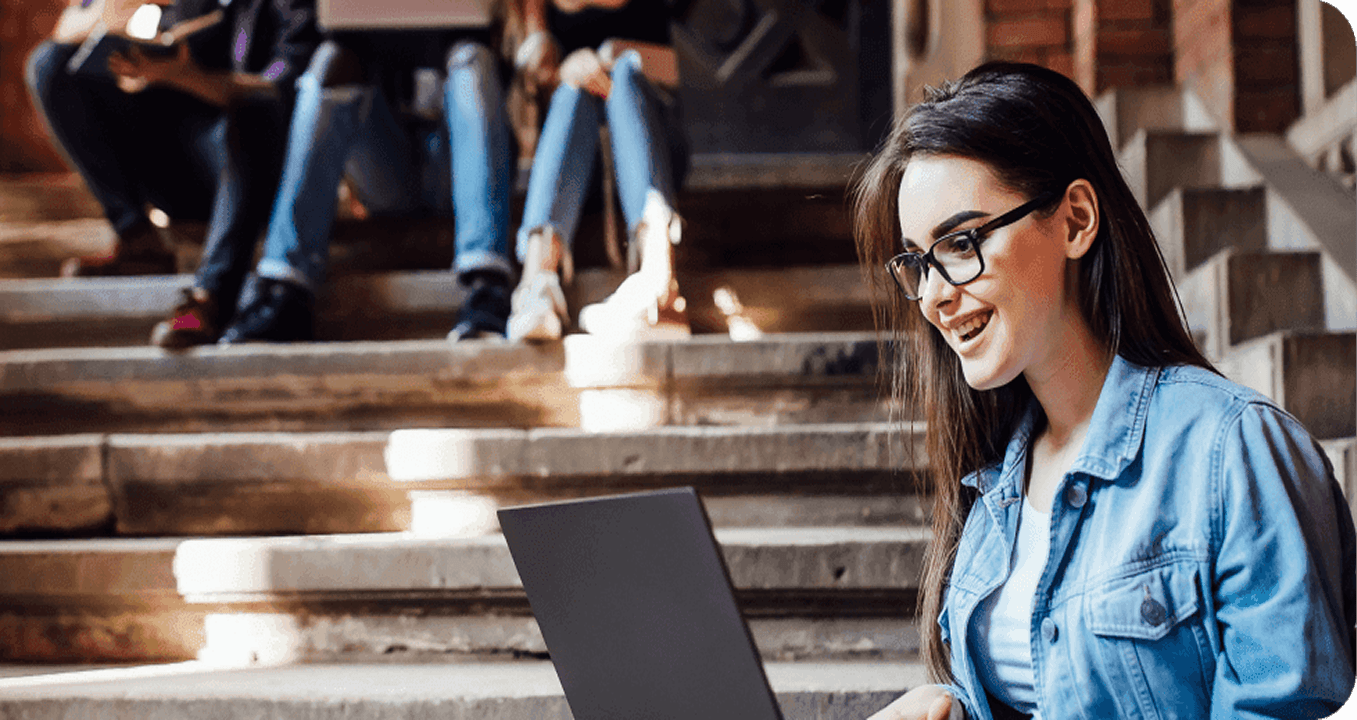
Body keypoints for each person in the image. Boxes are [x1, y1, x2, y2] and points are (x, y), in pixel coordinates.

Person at [851, 62, 1356, 720]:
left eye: (961, 242)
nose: (934, 295)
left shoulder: (1232, 452)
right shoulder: (993, 487)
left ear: (1075, 220)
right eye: (916, 263)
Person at [147, 13, 517, 346]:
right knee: (331, 59)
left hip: (456, 162)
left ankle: (487, 286)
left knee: (473, 57)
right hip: (389, 170)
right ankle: (284, 287)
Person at [26, 0, 319, 345]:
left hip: (258, 174)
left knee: (252, 105)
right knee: (51, 64)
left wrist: (185, 76)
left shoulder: (291, 8)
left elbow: (280, 91)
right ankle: (137, 237)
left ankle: (211, 295)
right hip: (184, 163)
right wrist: (141, 68)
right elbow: (69, 27)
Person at [505, 0, 689, 341]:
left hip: (653, 148)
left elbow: (693, 69)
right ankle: (537, 286)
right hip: (579, 164)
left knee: (625, 75)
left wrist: (618, 57)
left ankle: (660, 284)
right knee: (570, 92)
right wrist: (567, 70)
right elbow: (536, 74)